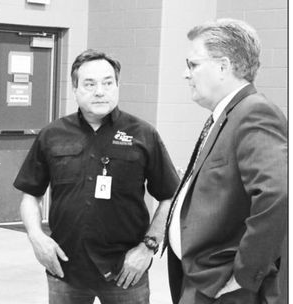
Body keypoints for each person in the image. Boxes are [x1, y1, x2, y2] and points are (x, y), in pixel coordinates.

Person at [14, 49, 180, 304]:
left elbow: (170, 197)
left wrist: (147, 247)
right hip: (65, 268)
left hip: (126, 271)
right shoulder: (52, 134)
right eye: (89, 84)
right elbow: (30, 195)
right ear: (75, 88)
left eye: (107, 83)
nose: (99, 91)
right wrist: (37, 238)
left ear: (117, 85)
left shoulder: (144, 134)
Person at [164, 18, 287, 304]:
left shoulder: (254, 114)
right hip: (202, 278)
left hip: (226, 288)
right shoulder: (227, 115)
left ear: (223, 66)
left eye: (193, 64)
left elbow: (278, 194)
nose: (186, 73)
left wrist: (245, 275)